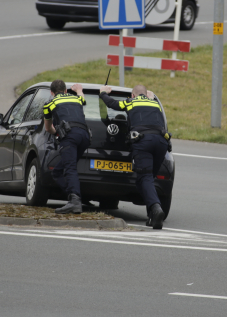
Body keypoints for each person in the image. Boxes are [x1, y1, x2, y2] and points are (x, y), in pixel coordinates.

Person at [99, 83, 169, 229]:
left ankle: (156, 209)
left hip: (144, 142)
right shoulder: (155, 103)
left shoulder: (131, 102)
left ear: (132, 95)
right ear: (146, 94)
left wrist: (103, 93)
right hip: (161, 142)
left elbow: (112, 104)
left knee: (145, 177)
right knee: (148, 179)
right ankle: (153, 216)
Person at [43, 80, 90, 214]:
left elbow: (48, 128)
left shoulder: (49, 104)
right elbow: (82, 98)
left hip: (70, 137)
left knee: (70, 168)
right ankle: (75, 197)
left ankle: (75, 202)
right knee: (58, 171)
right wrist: (79, 90)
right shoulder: (77, 99)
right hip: (85, 136)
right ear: (65, 91)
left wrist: (57, 133)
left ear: (51, 92)